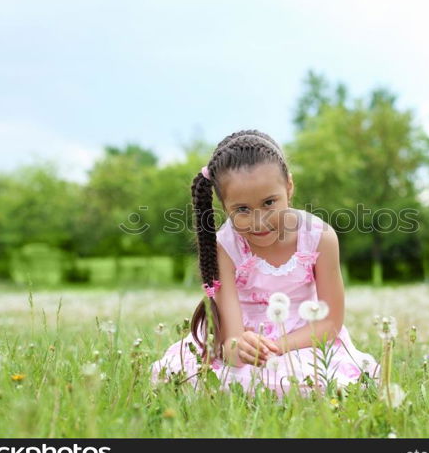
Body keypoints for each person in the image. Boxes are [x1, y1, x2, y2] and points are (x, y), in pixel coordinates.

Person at [150, 129, 380, 397]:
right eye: (242, 210)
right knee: (204, 379)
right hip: (244, 337)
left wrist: (278, 346)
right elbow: (232, 344)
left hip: (304, 337)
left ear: (289, 188)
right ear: (224, 206)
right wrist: (241, 346)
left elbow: (329, 323)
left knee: (323, 383)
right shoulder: (224, 246)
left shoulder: (320, 237)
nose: (259, 221)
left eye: (269, 202)